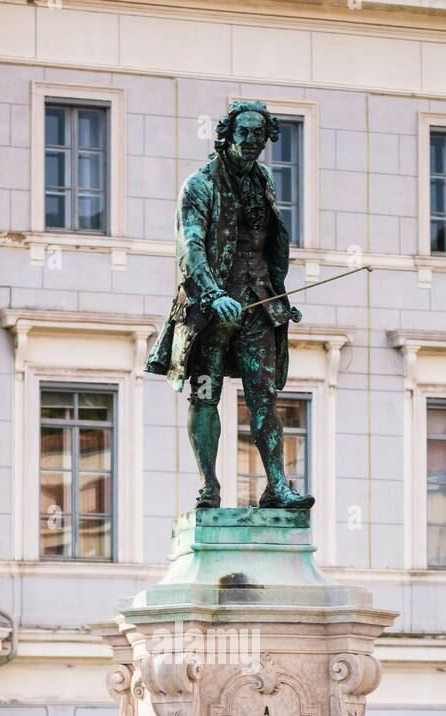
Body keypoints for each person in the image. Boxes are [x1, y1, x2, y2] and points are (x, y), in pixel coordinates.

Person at [146, 99, 313, 511]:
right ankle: (209, 486)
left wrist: (280, 293)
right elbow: (191, 245)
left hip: (258, 303)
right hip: (210, 310)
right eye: (245, 132)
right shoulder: (200, 184)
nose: (252, 140)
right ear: (227, 134)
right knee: (205, 394)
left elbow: (267, 243)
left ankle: (277, 484)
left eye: (259, 134)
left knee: (264, 396)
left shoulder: (265, 181)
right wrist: (213, 292)